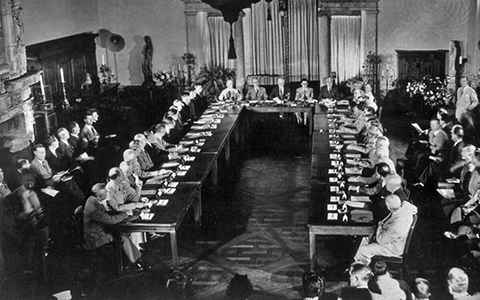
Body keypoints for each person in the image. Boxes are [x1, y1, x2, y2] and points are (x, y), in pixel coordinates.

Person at [83, 183, 142, 264]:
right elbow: (111, 220)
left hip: (99, 231)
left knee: (123, 233)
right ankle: (135, 262)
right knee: (123, 238)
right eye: (106, 193)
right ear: (99, 197)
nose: (107, 194)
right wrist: (126, 214)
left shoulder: (92, 199)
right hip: (96, 238)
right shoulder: (94, 209)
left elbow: (106, 216)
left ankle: (135, 257)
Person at [354, 195, 417, 264]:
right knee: (364, 239)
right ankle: (359, 264)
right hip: (393, 239)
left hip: (393, 247)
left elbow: (381, 241)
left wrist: (380, 226)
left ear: (388, 208)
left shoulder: (397, 224)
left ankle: (362, 271)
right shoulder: (405, 207)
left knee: (363, 250)